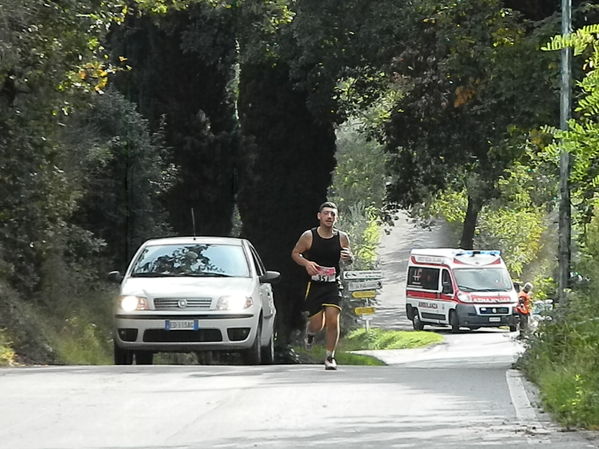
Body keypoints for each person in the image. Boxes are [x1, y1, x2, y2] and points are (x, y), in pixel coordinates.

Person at [291, 201, 353, 370]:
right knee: (318, 325)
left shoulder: (342, 237)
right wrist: (306, 263)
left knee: (333, 319)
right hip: (315, 285)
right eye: (326, 213)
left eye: (333, 214)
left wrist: (349, 257)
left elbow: (348, 258)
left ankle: (330, 357)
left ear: (336, 218)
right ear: (319, 216)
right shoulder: (309, 236)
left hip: (333, 284)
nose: (329, 216)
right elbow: (295, 253)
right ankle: (310, 333)